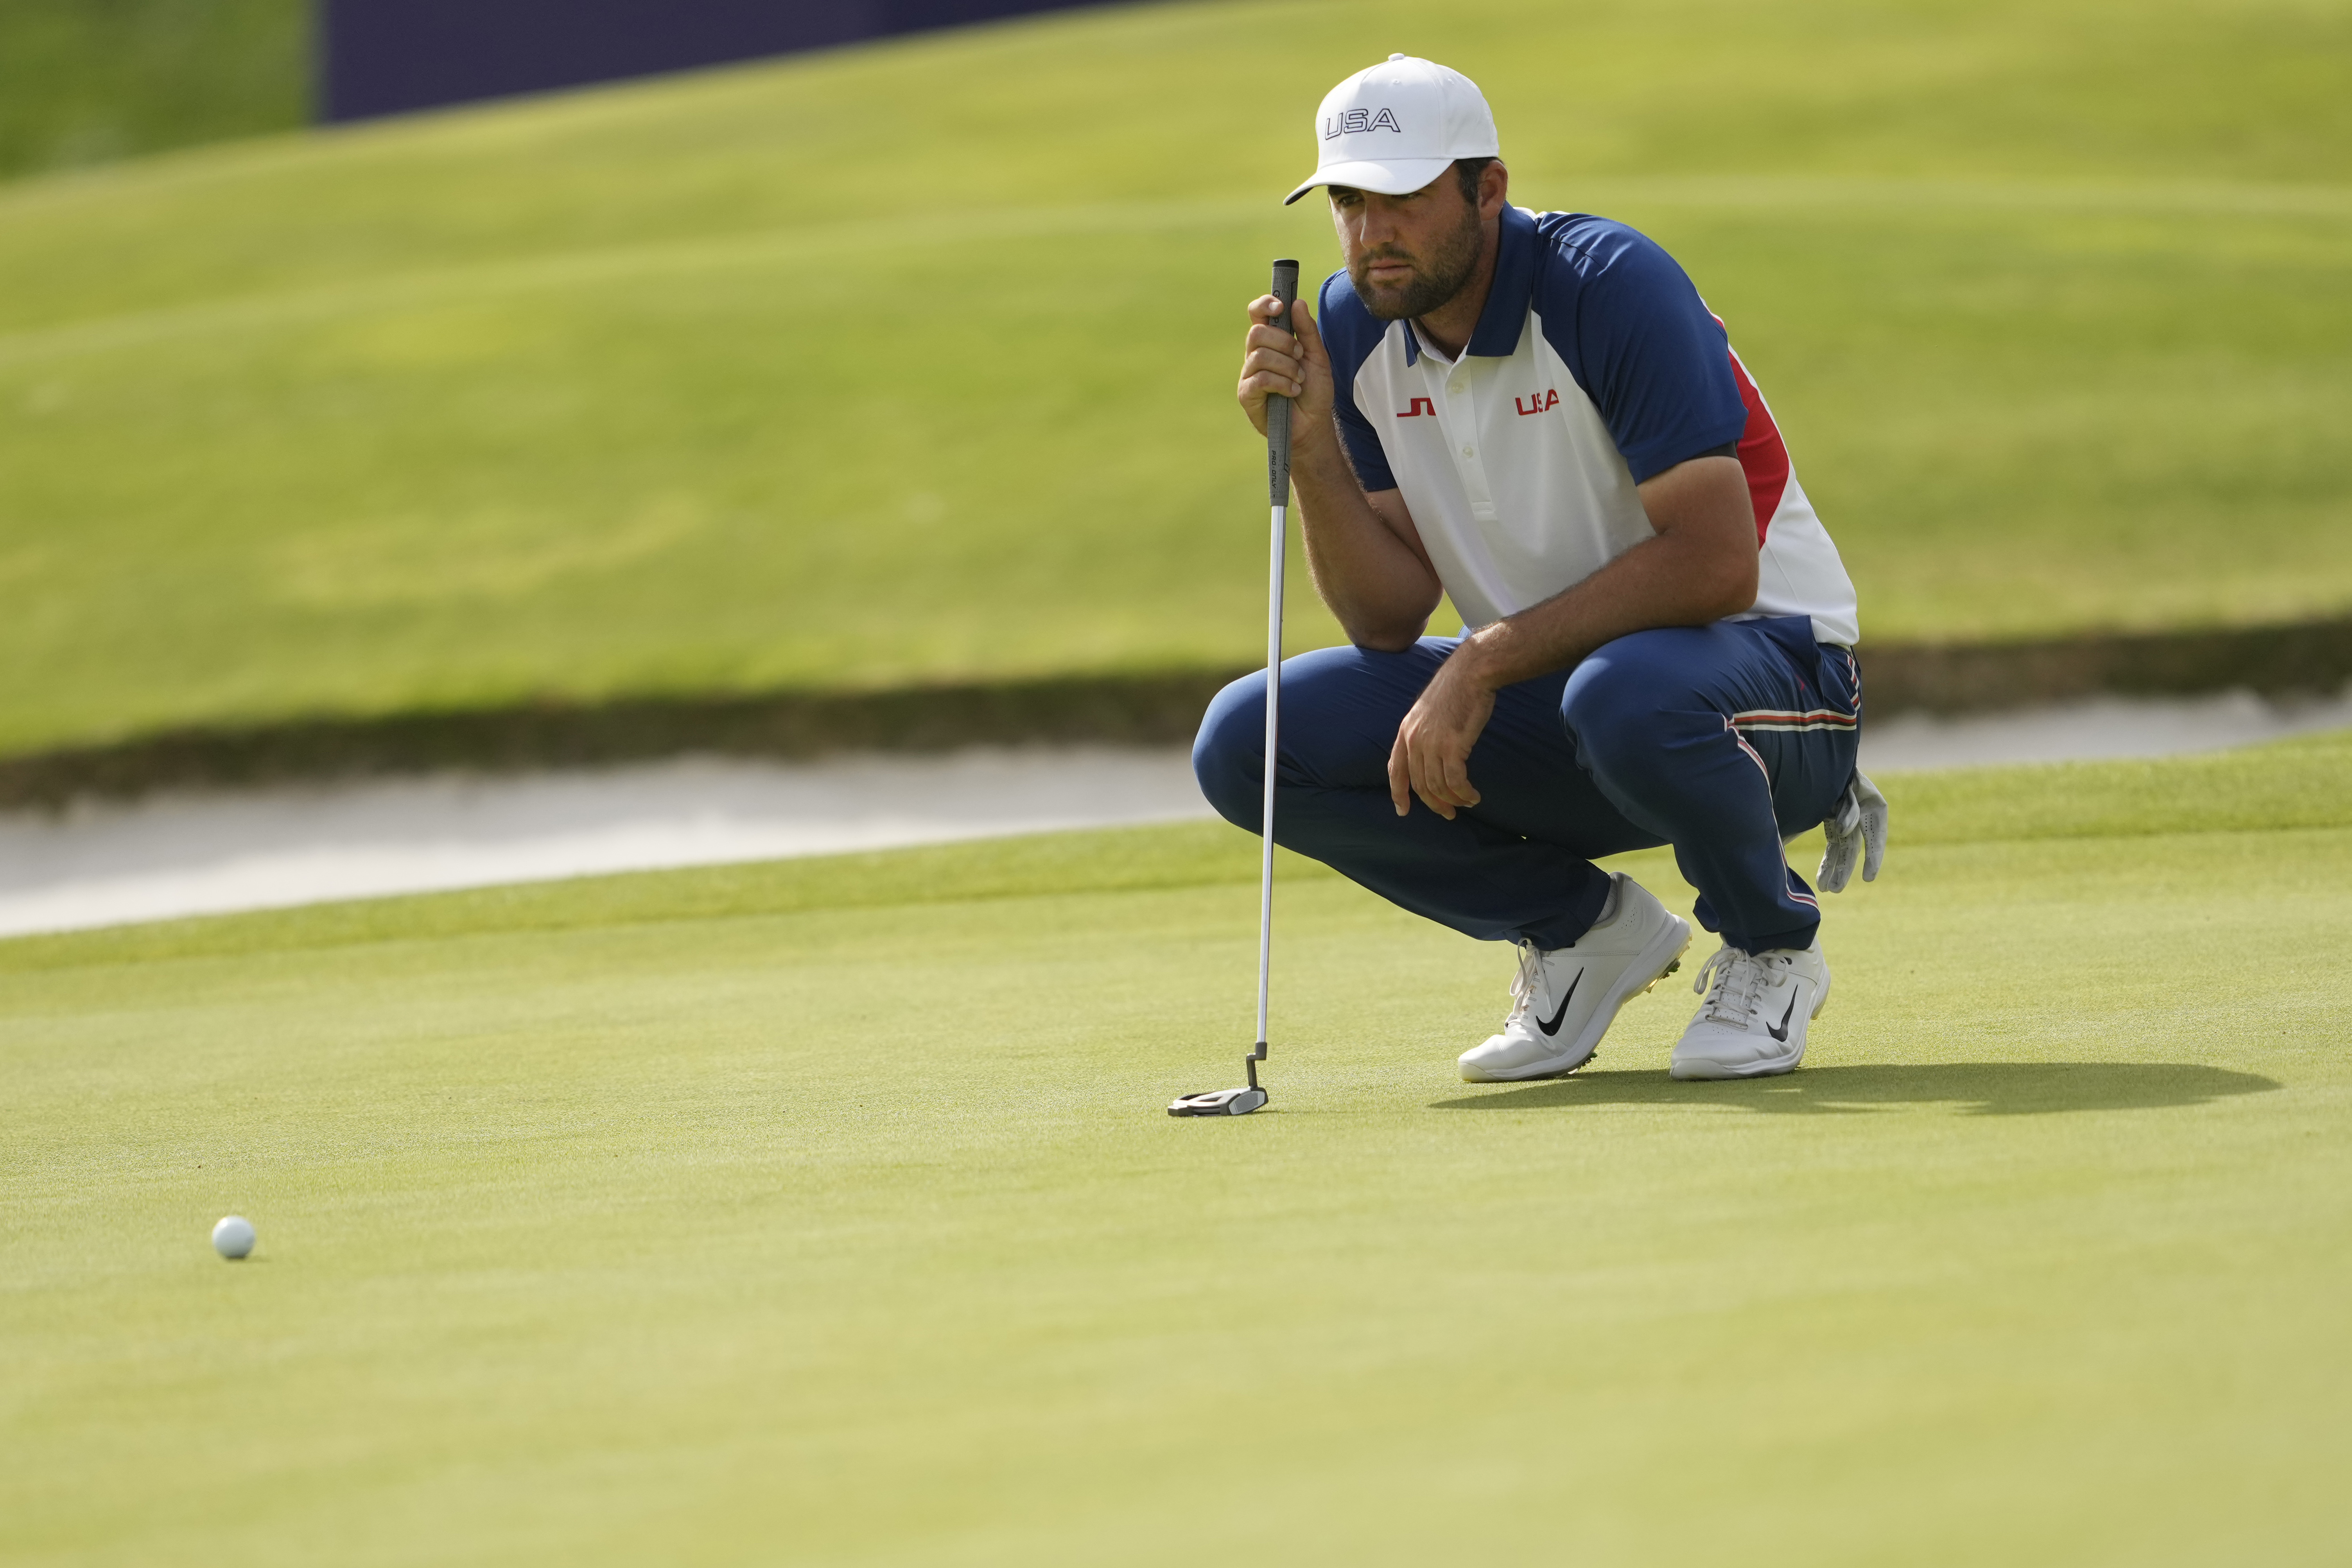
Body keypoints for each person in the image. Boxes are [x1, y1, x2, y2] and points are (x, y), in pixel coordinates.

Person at [1194, 54, 1888, 1083]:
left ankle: (1772, 946)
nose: (1371, 231)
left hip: (1778, 688)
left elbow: (1715, 567)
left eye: (1403, 198)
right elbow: (1387, 618)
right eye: (1349, 200)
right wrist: (1309, 450)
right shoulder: (1353, 326)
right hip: (1568, 699)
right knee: (1248, 741)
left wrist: (1480, 664)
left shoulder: (1609, 286)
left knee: (1627, 695)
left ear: (1489, 189)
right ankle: (1585, 933)